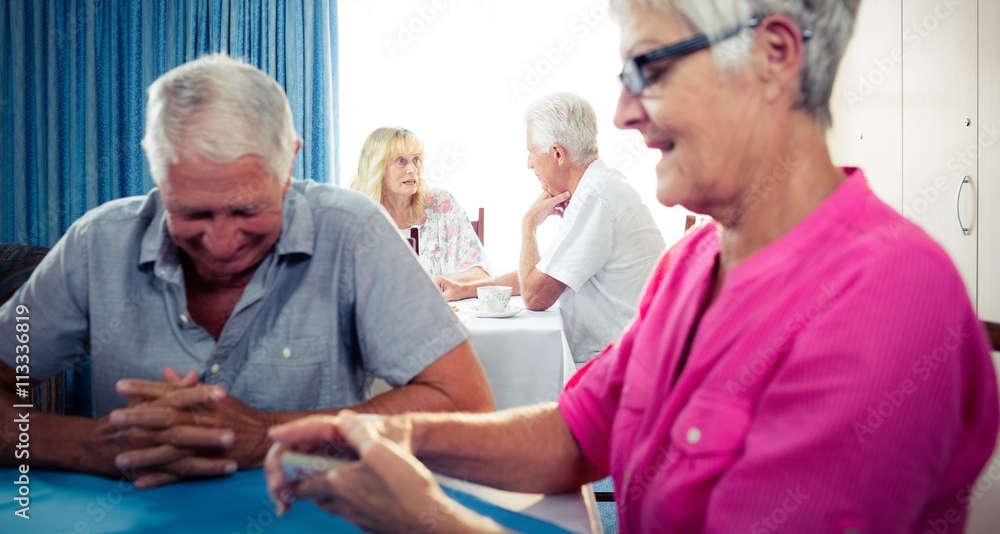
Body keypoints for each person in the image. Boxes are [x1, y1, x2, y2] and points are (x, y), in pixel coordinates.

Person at [262, 0, 999, 532]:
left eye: (649, 66)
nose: (620, 113)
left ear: (775, 55)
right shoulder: (693, 264)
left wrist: (424, 516)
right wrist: (397, 435)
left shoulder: (885, 296)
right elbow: (576, 435)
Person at [0, 54, 493, 488]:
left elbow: (466, 405)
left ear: (289, 166)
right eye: (191, 212)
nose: (220, 242)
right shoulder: (96, 244)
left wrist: (270, 434)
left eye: (246, 210)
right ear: (157, 170)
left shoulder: (353, 232)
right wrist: (90, 445)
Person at [439, 92, 665, 366]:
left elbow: (535, 295)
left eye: (531, 152)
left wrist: (528, 227)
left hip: (618, 365)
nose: (529, 164)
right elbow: (543, 275)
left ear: (557, 153)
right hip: (622, 357)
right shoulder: (599, 186)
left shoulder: (595, 196)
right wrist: (464, 289)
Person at [349, 127, 490, 294]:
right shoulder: (354, 216)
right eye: (401, 161)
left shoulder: (442, 204)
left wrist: (438, 282)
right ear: (377, 167)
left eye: (416, 159)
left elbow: (481, 275)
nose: (412, 169)